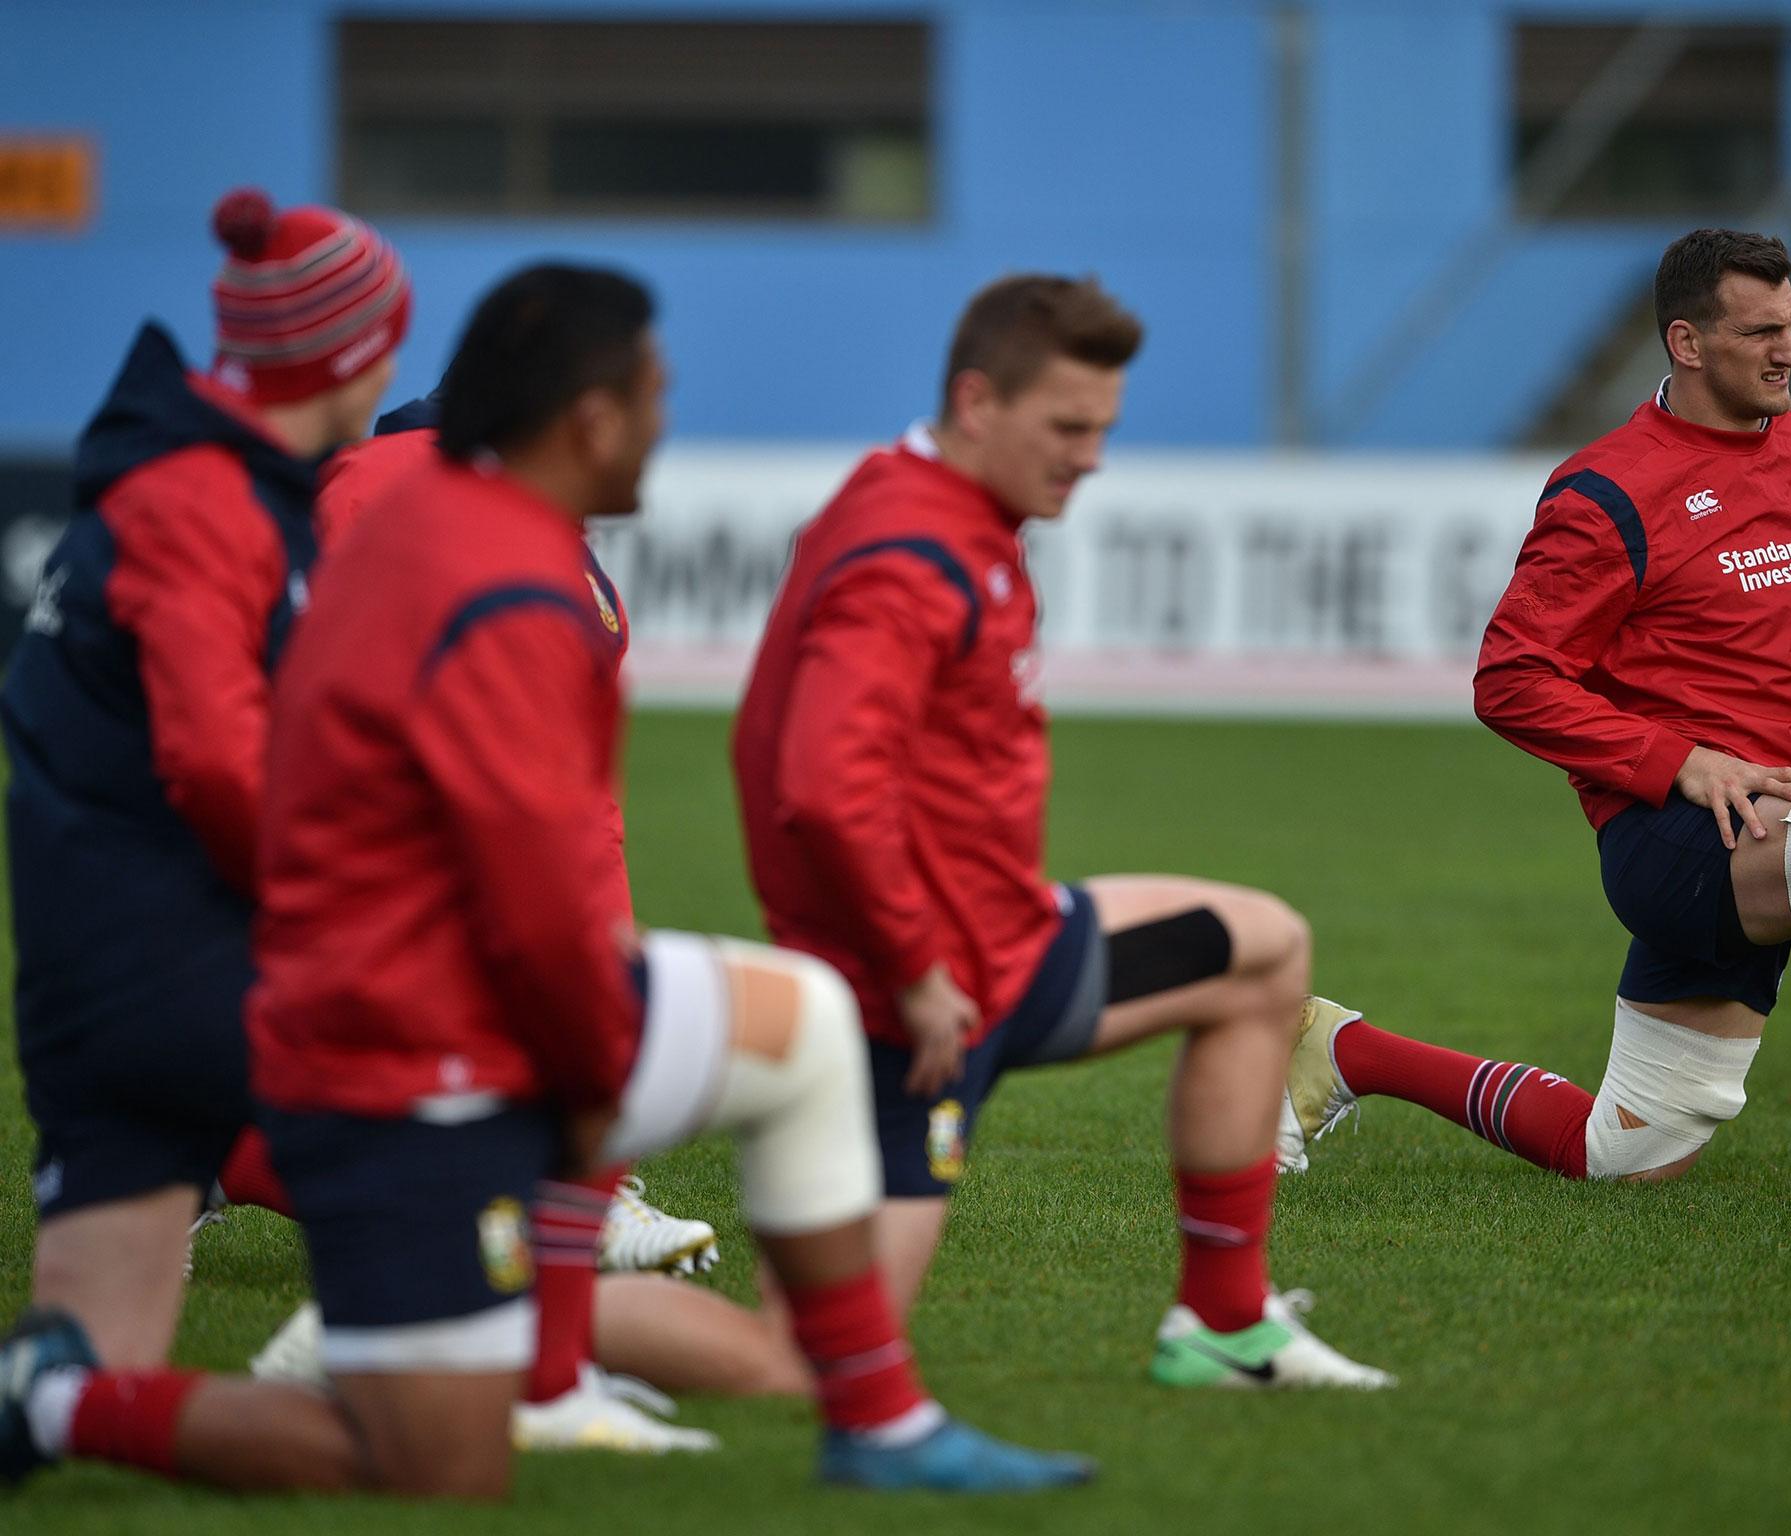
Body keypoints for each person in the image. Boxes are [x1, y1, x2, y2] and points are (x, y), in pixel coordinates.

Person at [0, 262, 1092, 1499]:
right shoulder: (507, 587)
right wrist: (587, 1091)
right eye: (655, 394)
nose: (667, 422)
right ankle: (70, 1393)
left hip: (382, 1002)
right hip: (408, 1040)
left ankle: (845, 1416)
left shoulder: (444, 531)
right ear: (589, 419)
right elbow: (532, 899)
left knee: (802, 1032)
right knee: (434, 1462)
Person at [1280, 228, 1791, 1205]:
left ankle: (1340, 1050)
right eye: (1758, 332)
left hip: (1774, 823)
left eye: (1790, 327)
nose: (1787, 353)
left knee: (1621, 1151)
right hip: (1674, 838)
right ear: (1685, 344)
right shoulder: (1605, 493)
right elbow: (1509, 677)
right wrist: (1676, 760)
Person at [733, 273, 1393, 1390]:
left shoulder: (940, 501)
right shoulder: (910, 555)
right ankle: (478, 1348)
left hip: (1007, 951)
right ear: (978, 403)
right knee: (797, 1362)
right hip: (914, 1002)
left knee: (1262, 948)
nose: (1091, 456)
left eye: (1104, 429)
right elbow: (819, 787)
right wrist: (909, 969)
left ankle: (1225, 1330)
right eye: (1067, 427)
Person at [237, 393, 810, 1447]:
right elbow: (564, 815)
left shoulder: (353, 499)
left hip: (312, 889)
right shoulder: (507, 551)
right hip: (415, 913)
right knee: (798, 1029)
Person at [1, 186, 408, 1374]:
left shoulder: (192, 484)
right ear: (343, 354)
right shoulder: (203, 504)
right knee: (503, 1097)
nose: (389, 373)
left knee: (87, 1382)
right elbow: (217, 760)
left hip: (107, 980)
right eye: (382, 343)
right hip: (182, 981)